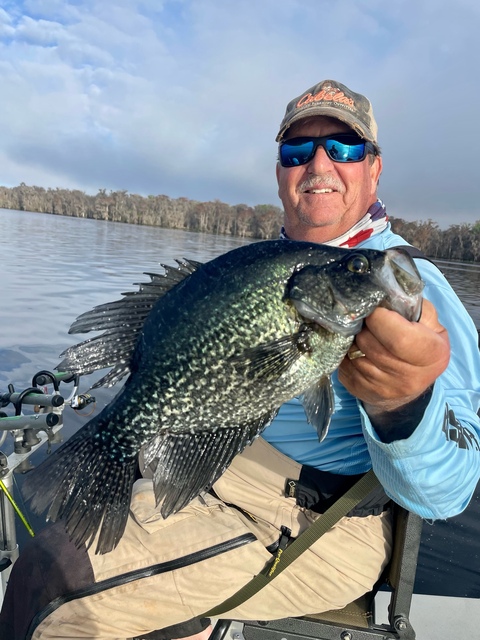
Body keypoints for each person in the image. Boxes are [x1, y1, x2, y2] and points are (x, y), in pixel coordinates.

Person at [1, 79, 480, 640]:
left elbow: (447, 494)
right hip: (209, 471)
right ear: (280, 173)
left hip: (307, 523)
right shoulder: (257, 267)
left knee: (49, 588)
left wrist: (404, 404)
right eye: (298, 151)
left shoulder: (418, 295)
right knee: (51, 540)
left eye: (344, 148)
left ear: (374, 168)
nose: (320, 164)